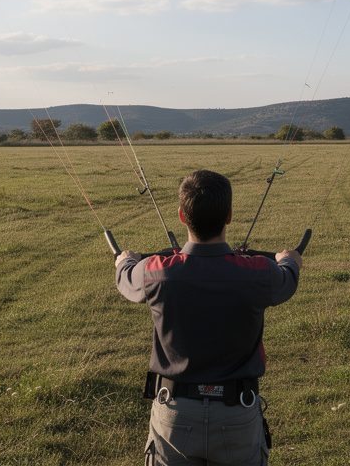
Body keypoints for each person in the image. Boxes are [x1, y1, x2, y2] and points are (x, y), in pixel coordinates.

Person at [116, 169, 301, 466]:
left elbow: (125, 277)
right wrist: (289, 260)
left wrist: (125, 259)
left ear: (181, 215)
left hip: (174, 413)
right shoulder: (258, 272)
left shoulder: (155, 271)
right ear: (228, 216)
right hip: (237, 412)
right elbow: (287, 278)